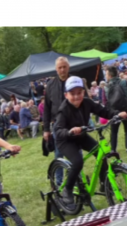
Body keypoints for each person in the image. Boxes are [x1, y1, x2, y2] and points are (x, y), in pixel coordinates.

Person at [54, 76, 127, 210]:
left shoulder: (87, 103)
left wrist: (117, 114)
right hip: (66, 140)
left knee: (101, 152)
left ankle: (104, 182)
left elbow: (103, 111)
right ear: (66, 95)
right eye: (72, 93)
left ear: (84, 92)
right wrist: (69, 131)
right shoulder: (63, 110)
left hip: (81, 135)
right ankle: (67, 189)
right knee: (77, 162)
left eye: (79, 93)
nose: (76, 96)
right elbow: (58, 130)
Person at [43, 56, 71, 185]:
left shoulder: (74, 81)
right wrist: (46, 129)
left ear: (68, 67)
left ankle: (75, 181)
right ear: (56, 69)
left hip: (73, 123)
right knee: (59, 155)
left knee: (75, 155)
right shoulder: (50, 85)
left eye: (64, 67)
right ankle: (59, 185)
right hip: (57, 125)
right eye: (60, 67)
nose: (62, 70)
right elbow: (47, 108)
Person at [105, 66, 127, 154]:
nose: (106, 76)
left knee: (114, 131)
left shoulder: (106, 87)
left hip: (114, 111)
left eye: (106, 74)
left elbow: (106, 100)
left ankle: (113, 149)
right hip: (126, 108)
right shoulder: (124, 82)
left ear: (110, 75)